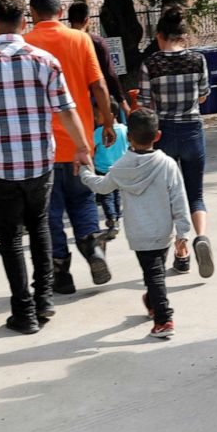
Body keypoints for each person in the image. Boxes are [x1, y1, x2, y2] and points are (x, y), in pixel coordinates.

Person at [0, 0, 92, 334]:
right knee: (40, 228)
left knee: (10, 239)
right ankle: (44, 300)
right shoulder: (44, 60)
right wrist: (83, 147)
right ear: (24, 23)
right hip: (40, 164)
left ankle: (23, 313)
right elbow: (66, 109)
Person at [24, 0, 115, 294]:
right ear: (60, 12)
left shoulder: (25, 43)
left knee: (50, 212)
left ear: (32, 13)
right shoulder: (81, 39)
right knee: (83, 200)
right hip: (80, 142)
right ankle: (93, 247)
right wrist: (108, 121)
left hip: (43, 148)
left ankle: (61, 274)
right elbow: (99, 84)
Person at [79, 108, 192, 338]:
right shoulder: (167, 164)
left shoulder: (122, 166)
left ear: (128, 136)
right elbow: (179, 199)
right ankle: (152, 302)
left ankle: (164, 320)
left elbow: (101, 186)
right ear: (158, 135)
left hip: (139, 234)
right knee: (155, 273)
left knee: (154, 275)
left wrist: (84, 171)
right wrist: (183, 233)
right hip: (164, 231)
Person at [137, 4, 214, 277]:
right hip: (193, 130)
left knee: (170, 197)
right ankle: (201, 237)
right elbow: (204, 95)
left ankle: (181, 252)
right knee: (196, 194)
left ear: (159, 35)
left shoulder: (152, 64)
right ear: (184, 34)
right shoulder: (198, 60)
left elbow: (145, 105)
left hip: (165, 134)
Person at [67, 1, 131, 119]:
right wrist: (123, 102)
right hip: (96, 101)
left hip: (70, 99)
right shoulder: (96, 42)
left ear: (69, 20)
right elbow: (110, 74)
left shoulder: (63, 43)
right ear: (87, 20)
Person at [93, 100, 129, 240]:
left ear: (110, 115)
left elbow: (91, 145)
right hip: (120, 169)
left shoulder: (99, 132)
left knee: (106, 195)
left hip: (103, 169)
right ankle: (116, 219)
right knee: (116, 194)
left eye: (98, 114)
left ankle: (112, 220)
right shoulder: (124, 129)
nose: (96, 117)